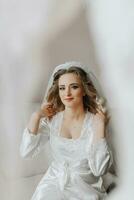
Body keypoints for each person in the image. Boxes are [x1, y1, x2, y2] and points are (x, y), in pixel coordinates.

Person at [20, 61, 114, 200]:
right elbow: (26, 152)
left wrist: (100, 126)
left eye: (74, 87)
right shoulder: (54, 121)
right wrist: (36, 116)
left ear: (84, 90)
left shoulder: (94, 122)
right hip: (52, 184)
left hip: (85, 188)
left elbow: (99, 169)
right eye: (62, 88)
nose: (67, 93)